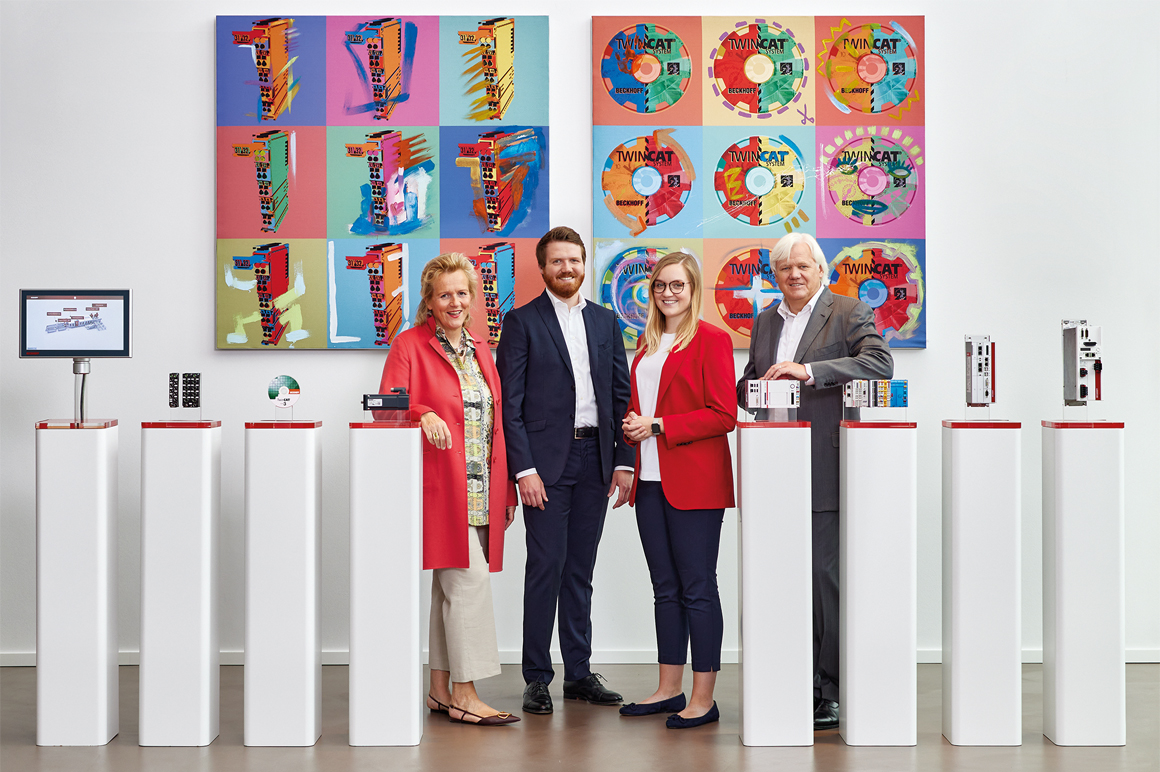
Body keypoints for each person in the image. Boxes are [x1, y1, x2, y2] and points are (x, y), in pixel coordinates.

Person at [735, 232, 893, 730]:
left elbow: (880, 364)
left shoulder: (847, 312)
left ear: (821, 269)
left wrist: (807, 371)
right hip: (772, 470)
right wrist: (750, 388)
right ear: (774, 275)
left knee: (825, 580)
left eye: (803, 267)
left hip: (824, 464)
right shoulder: (764, 321)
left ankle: (831, 688)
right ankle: (794, 679)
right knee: (783, 576)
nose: (794, 275)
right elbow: (750, 383)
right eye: (784, 269)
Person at [496, 226, 634, 715]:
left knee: (580, 571)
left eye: (574, 261)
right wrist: (523, 470)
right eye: (558, 262)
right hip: (545, 466)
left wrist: (623, 459)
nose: (568, 269)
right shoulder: (521, 322)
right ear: (543, 268)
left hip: (595, 461)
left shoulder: (604, 322)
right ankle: (537, 676)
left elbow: (621, 397)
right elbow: (508, 406)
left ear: (583, 264)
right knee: (545, 569)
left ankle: (578, 673)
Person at [378, 252, 520, 726]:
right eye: (445, 295)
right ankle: (466, 692)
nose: (455, 302)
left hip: (483, 489)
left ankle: (439, 689)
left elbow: (497, 424)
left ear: (473, 297)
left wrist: (506, 493)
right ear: (430, 301)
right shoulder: (410, 345)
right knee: (469, 585)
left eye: (462, 293)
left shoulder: (482, 349)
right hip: (441, 489)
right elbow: (386, 407)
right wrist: (424, 413)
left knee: (449, 590)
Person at [618, 250, 736, 729]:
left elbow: (723, 414)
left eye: (678, 285)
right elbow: (635, 413)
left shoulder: (711, 340)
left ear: (693, 290)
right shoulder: (646, 346)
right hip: (648, 482)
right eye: (661, 286)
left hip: (696, 483)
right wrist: (629, 452)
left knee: (697, 588)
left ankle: (704, 698)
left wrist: (660, 425)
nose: (668, 293)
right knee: (664, 589)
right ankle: (669, 688)